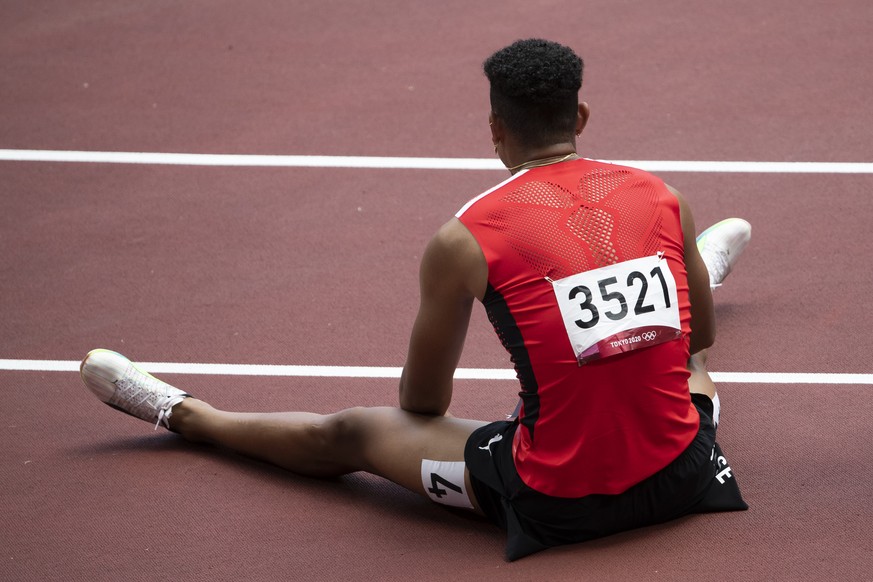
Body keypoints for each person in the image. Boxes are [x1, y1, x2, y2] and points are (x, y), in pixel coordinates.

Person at [80, 38, 750, 561]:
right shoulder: (661, 195)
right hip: (685, 475)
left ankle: (184, 414)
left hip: (555, 499)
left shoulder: (465, 237)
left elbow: (421, 407)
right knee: (682, 359)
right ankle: (688, 272)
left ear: (494, 128)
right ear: (578, 116)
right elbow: (702, 340)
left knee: (358, 431)